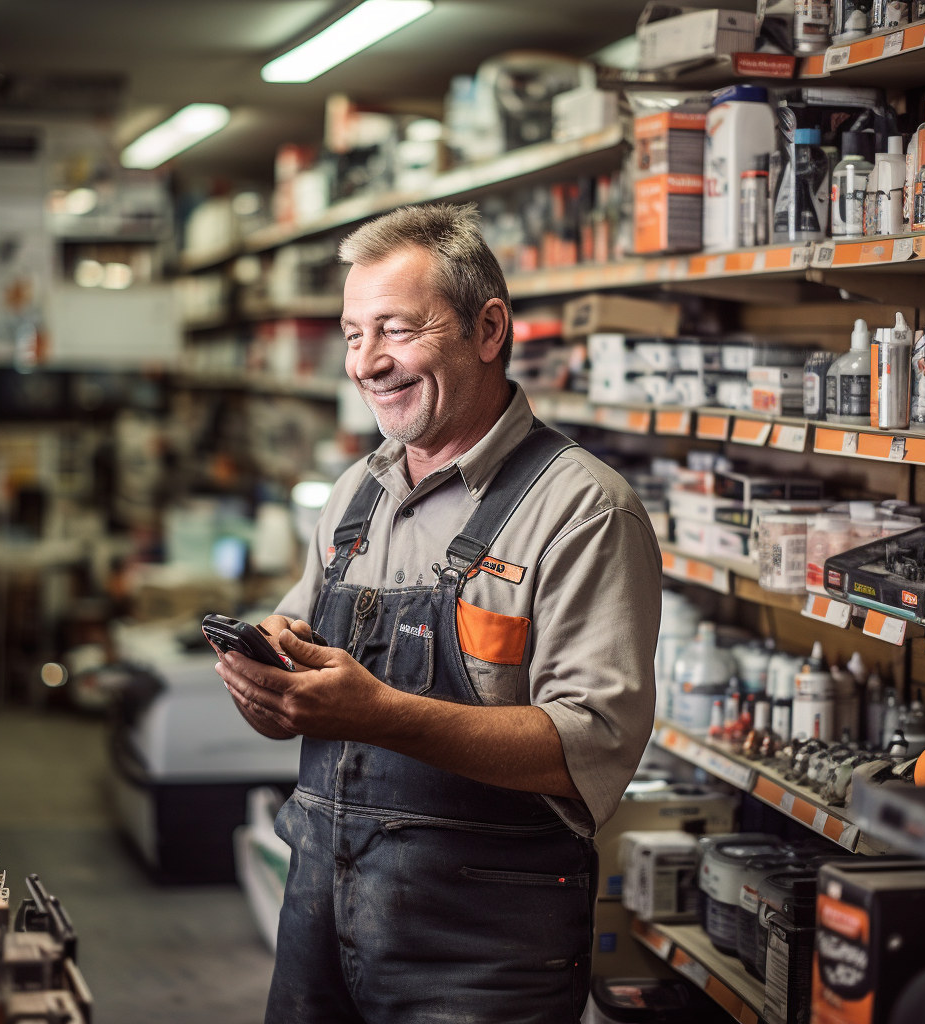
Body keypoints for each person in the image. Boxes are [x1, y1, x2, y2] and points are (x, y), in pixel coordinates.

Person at [215, 203, 661, 1024]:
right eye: (353, 334)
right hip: (319, 918)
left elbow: (589, 747)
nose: (367, 362)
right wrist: (273, 675)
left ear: (488, 329)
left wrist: (379, 713)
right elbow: (300, 655)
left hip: (481, 956)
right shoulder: (357, 493)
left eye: (395, 329)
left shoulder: (583, 510)